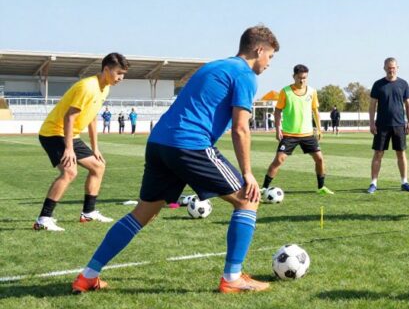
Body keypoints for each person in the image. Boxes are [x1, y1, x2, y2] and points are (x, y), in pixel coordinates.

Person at [71, 25, 279, 294]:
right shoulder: (246, 75)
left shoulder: (213, 66)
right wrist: (248, 173)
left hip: (159, 143)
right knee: (248, 199)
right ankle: (232, 278)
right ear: (259, 50)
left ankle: (88, 275)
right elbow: (241, 128)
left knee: (143, 212)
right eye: (270, 57)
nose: (269, 64)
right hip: (189, 143)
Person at [34, 53, 129, 231]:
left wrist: (96, 148)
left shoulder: (105, 87)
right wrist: (69, 149)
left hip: (69, 135)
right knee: (70, 171)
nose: (121, 78)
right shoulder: (88, 87)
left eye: (123, 74)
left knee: (98, 166)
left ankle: (88, 213)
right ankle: (44, 219)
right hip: (53, 132)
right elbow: (69, 117)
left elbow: (92, 118)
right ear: (107, 69)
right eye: (118, 73)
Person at [261, 64, 333, 196]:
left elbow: (315, 111)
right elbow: (277, 111)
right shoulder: (285, 91)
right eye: (299, 78)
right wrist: (278, 129)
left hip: (308, 134)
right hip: (289, 134)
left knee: (320, 159)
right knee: (278, 160)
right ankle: (264, 189)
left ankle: (321, 187)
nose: (302, 81)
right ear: (294, 76)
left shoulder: (312, 92)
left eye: (304, 78)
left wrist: (319, 129)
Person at [368, 57, 409, 193]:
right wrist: (371, 122)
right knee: (378, 153)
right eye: (388, 68)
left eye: (393, 68)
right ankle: (373, 183)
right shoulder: (378, 85)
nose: (391, 70)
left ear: (397, 68)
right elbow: (372, 105)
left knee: (401, 153)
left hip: (399, 124)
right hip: (381, 125)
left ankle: (404, 182)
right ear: (384, 68)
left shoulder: (403, 84)